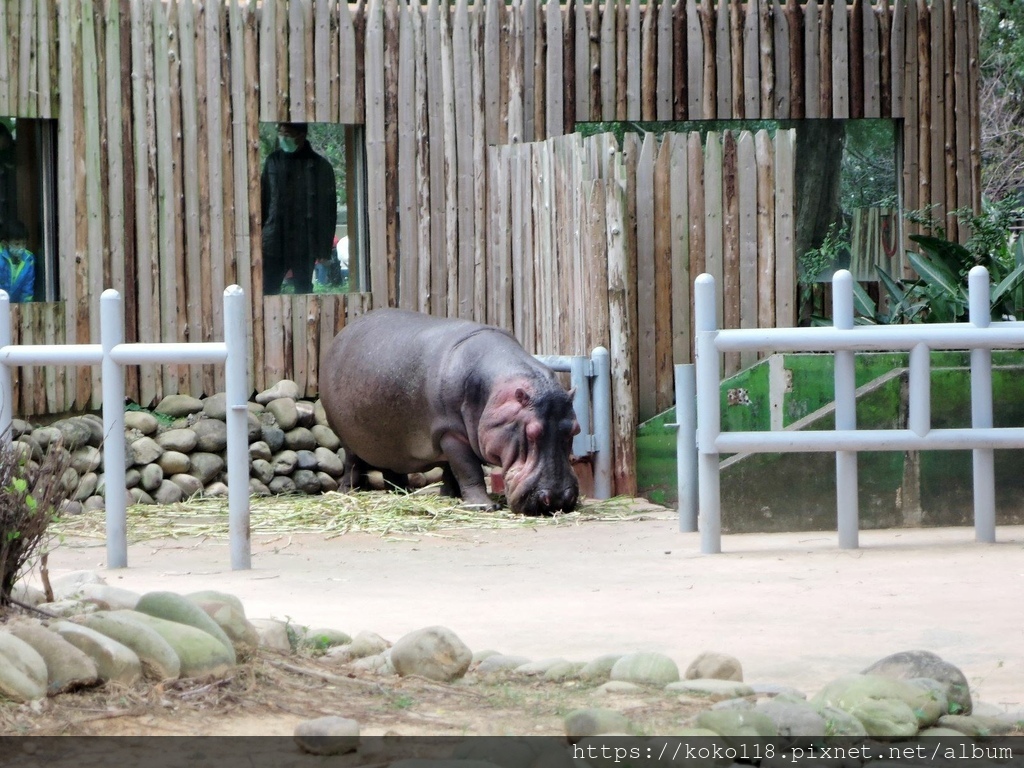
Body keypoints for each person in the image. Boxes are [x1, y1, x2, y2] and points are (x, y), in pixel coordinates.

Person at [260, 123, 337, 294]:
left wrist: (324, 248)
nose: (283, 138)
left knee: (303, 290)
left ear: (301, 135)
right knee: (267, 288)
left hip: (305, 242)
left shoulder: (320, 166)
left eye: (287, 134)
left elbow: (328, 211)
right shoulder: (272, 161)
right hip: (274, 240)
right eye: (280, 133)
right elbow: (263, 200)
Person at [0, 221, 35, 303]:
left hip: (17, 308)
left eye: (24, 243)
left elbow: (27, 290)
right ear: (5, 243)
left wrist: (27, 309)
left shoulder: (29, 260)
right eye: (17, 244)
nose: (21, 248)